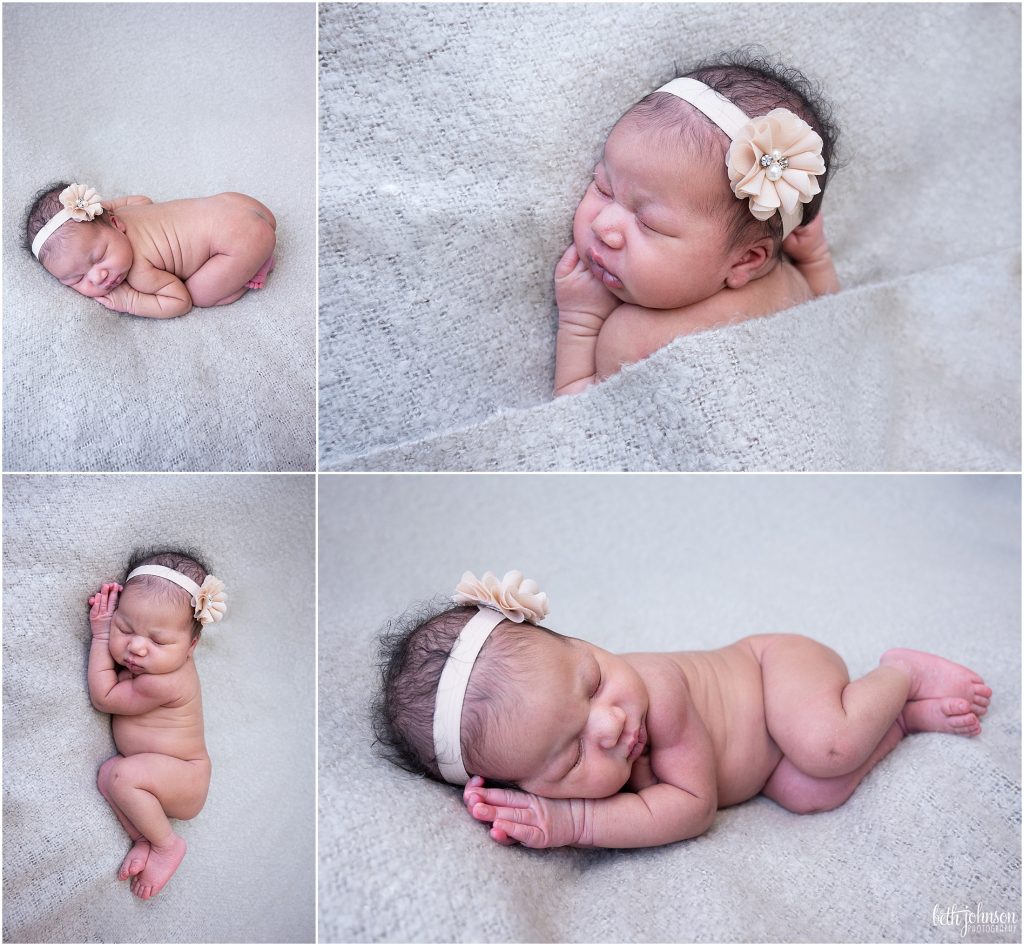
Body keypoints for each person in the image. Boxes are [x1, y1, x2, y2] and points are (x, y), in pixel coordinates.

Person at [374, 571, 991, 849]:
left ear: (580, 644)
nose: (610, 725)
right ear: (524, 785)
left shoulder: (657, 690)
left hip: (776, 671)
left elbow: (692, 809)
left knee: (824, 744)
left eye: (591, 683)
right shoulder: (586, 734)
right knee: (810, 790)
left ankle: (899, 671)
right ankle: (901, 718)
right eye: (570, 755)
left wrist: (573, 825)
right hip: (768, 765)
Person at [555, 54, 841, 395]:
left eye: (650, 224)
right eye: (603, 187)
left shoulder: (631, 339)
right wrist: (815, 259)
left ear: (746, 260)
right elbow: (833, 317)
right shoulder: (794, 281)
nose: (604, 226)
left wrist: (580, 322)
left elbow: (577, 425)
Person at [88, 550, 226, 897]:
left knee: (124, 775)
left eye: (159, 641)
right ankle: (145, 838)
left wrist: (104, 635)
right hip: (162, 773)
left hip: (185, 777)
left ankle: (167, 845)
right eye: (124, 627)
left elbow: (104, 697)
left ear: (191, 646)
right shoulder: (153, 665)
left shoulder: (164, 681)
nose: (135, 647)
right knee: (109, 774)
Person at [26, 182, 276, 317]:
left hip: (242, 242)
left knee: (200, 295)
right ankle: (254, 252)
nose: (98, 277)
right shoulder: (123, 213)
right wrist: (110, 204)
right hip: (237, 203)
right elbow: (143, 200)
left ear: (115, 223)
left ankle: (256, 266)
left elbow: (180, 301)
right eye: (77, 278)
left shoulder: (139, 272)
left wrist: (131, 301)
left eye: (100, 257)